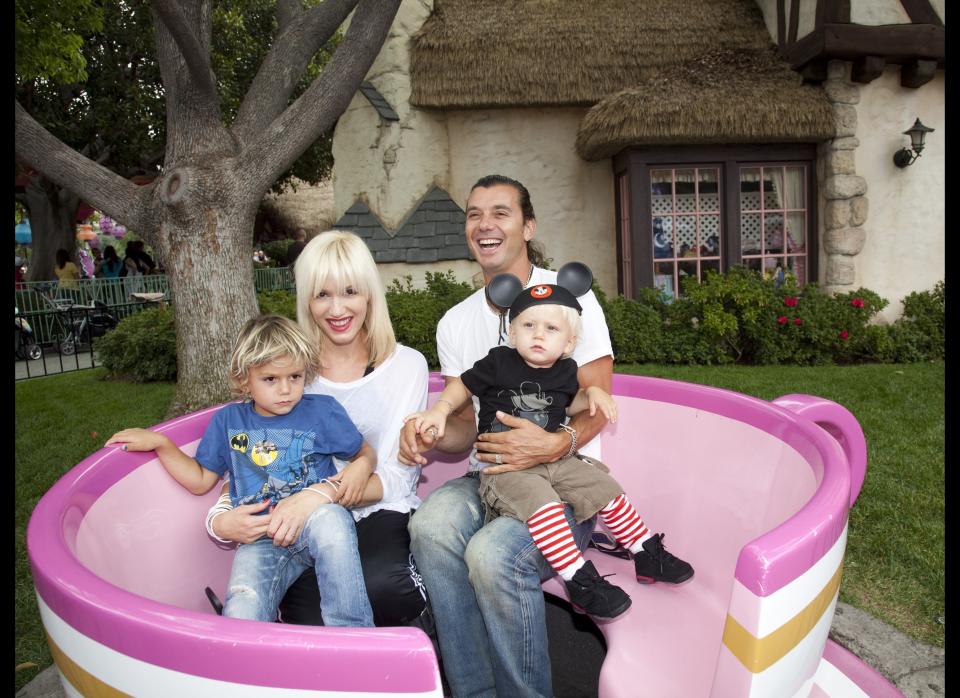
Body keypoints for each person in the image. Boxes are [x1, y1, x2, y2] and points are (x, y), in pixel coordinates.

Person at [398, 174, 616, 697]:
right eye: (474, 214)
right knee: (430, 526)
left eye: (501, 212)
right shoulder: (455, 322)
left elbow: (599, 403)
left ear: (527, 225)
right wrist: (430, 429)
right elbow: (464, 429)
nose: (485, 225)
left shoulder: (568, 299)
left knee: (493, 555)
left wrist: (557, 442)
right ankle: (475, 691)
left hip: (561, 486)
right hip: (491, 479)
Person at [405, 267, 693, 621]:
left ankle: (645, 551)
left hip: (555, 460)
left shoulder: (566, 370)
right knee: (545, 506)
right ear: (512, 331)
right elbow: (462, 386)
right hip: (506, 466)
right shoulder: (498, 362)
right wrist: (440, 410)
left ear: (568, 343)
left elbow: (570, 404)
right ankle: (578, 578)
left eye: (551, 328)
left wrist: (594, 394)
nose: (538, 335)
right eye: (528, 325)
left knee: (604, 487)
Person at [208, 231, 431, 630]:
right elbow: (252, 457)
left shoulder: (406, 365)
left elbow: (399, 477)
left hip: (377, 510)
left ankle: (412, 648)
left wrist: (318, 495)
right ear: (306, 301)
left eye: (350, 291)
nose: (338, 308)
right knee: (307, 617)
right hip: (294, 524)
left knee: (387, 588)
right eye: (322, 294)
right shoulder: (289, 374)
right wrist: (220, 518)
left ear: (369, 295)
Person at [106, 314, 377, 627]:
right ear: (243, 379)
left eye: (295, 377)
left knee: (331, 520)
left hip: (313, 522)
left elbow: (363, 452)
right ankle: (246, 664)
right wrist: (163, 444)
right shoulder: (228, 421)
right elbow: (200, 480)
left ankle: (353, 635)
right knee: (241, 612)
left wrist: (363, 465)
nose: (286, 389)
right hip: (260, 540)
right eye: (270, 379)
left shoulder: (322, 411)